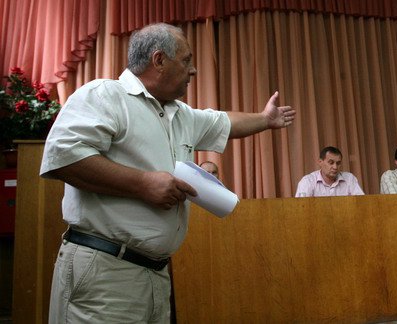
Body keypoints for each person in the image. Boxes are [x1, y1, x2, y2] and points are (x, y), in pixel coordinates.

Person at [40, 22, 296, 323]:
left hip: (155, 274)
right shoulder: (105, 95)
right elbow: (63, 158)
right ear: (159, 60)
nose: (193, 70)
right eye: (186, 60)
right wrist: (143, 184)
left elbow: (224, 123)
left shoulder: (179, 114)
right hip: (105, 273)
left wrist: (265, 119)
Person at [295, 146, 364, 197]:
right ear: (320, 162)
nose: (335, 167)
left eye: (338, 163)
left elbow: (361, 203)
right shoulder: (307, 181)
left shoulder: (349, 179)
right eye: (331, 163)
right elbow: (301, 207)